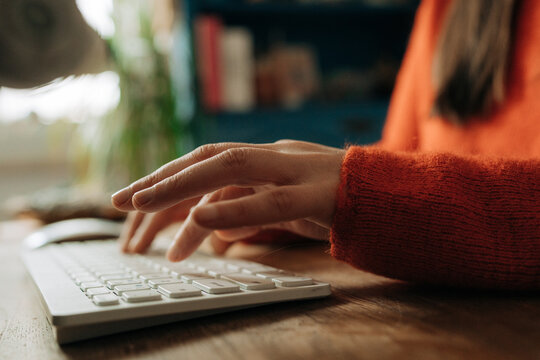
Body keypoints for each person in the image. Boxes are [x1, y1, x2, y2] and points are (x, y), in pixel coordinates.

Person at [112, 0, 539, 290]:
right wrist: (289, 200)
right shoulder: (448, 8)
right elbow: (403, 154)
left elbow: (392, 183)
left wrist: (366, 191)